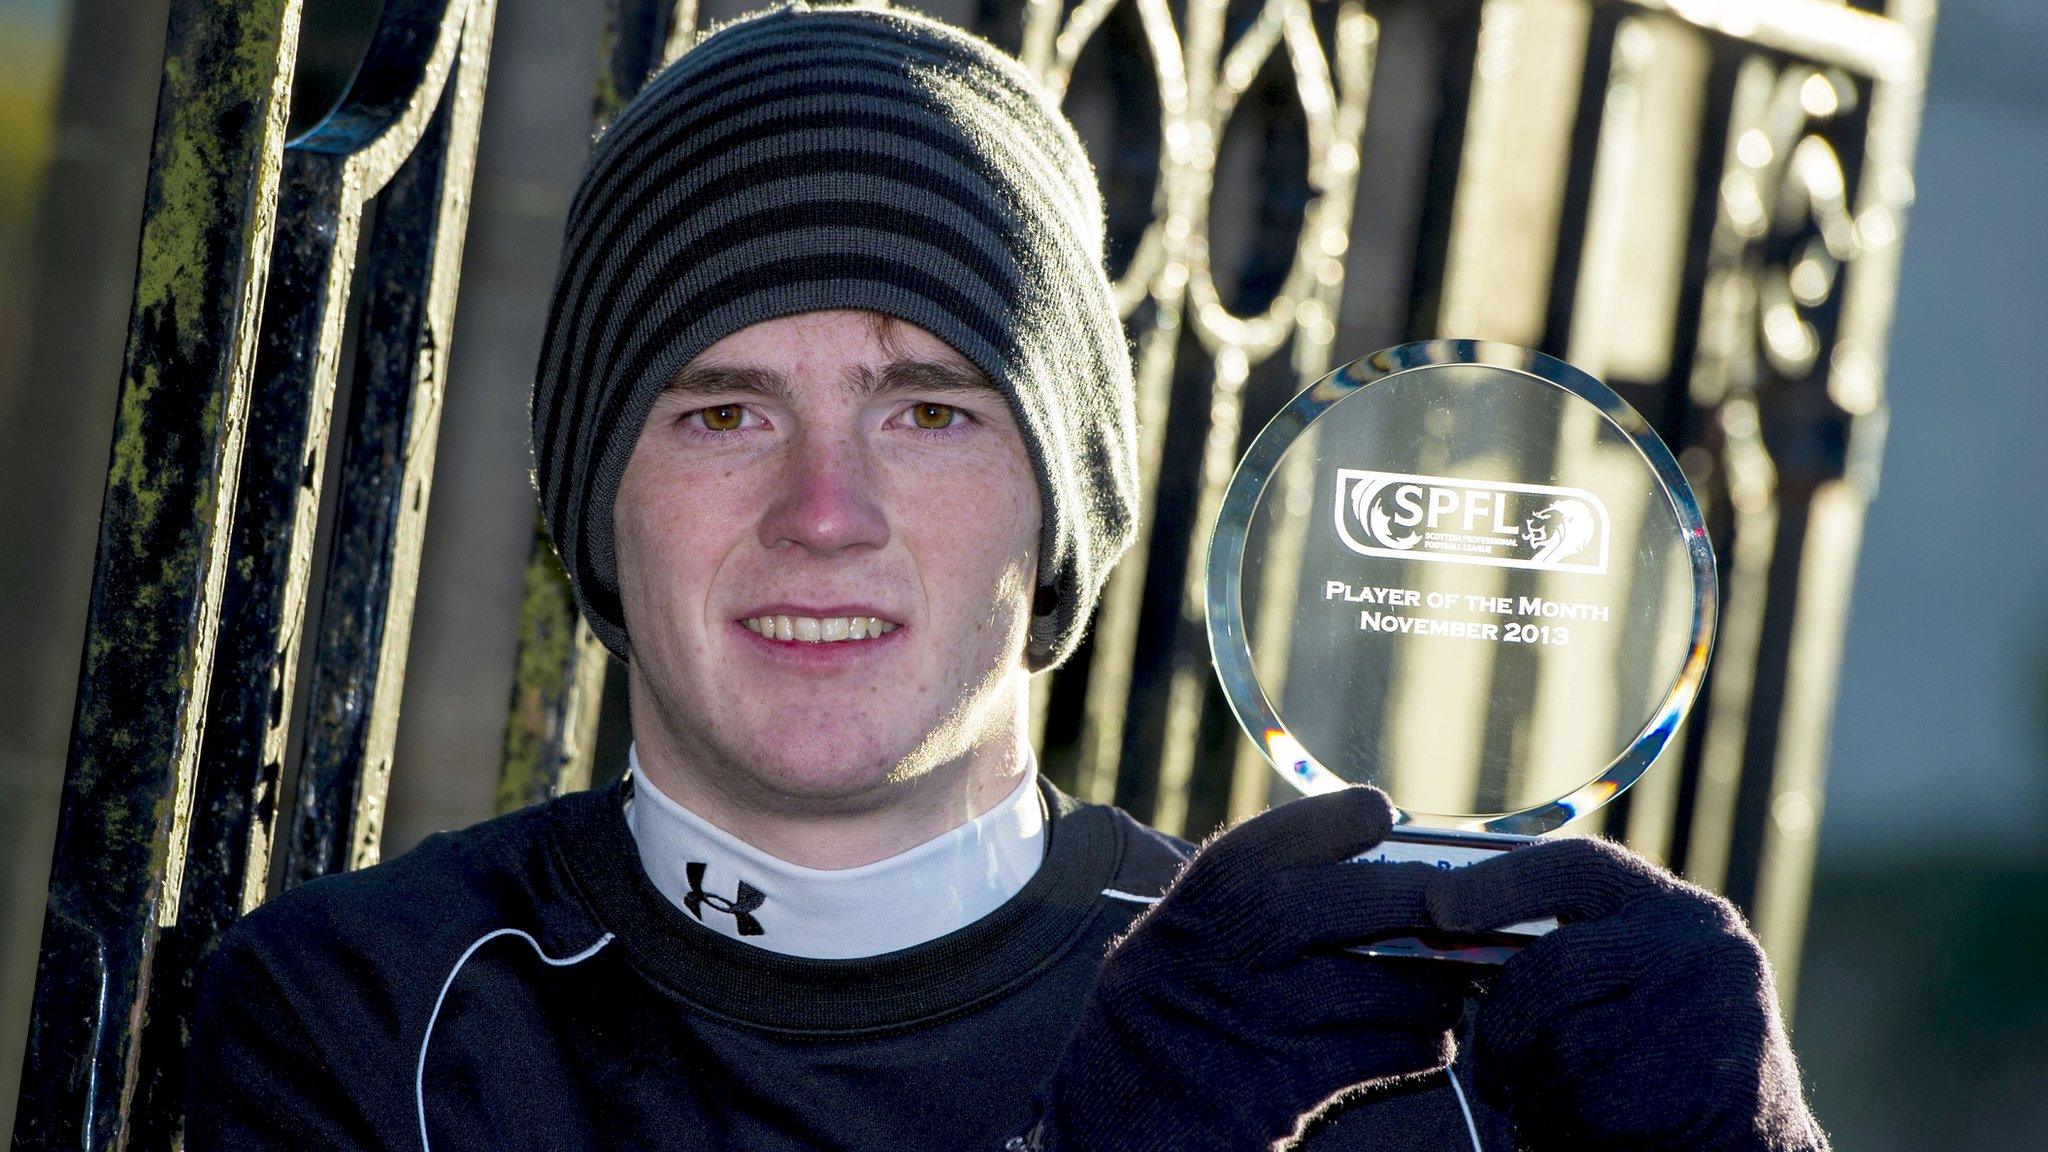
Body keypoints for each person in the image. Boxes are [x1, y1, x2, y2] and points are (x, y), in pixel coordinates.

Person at [187, 5, 1829, 1151]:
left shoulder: (1346, 1024)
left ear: (1065, 508)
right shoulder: (373, 1016)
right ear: (601, 507)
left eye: (928, 409)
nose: (823, 511)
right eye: (723, 408)